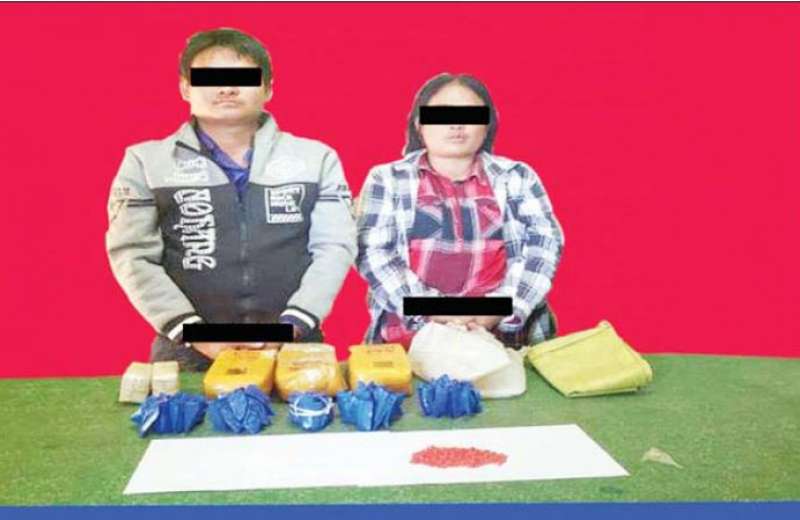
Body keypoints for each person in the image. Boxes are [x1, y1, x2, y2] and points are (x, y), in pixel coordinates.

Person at [106, 28, 356, 370]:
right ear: (185, 88)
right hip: (185, 347)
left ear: (268, 88)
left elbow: (335, 247)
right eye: (210, 78)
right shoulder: (145, 162)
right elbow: (132, 255)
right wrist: (194, 333)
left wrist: (294, 323)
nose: (226, 89)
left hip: (295, 342)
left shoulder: (316, 158)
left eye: (242, 78)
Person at [356, 73, 564, 349]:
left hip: (508, 341)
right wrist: (438, 311)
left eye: (469, 114)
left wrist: (499, 310)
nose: (456, 124)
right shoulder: (386, 179)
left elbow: (544, 246)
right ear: (419, 123)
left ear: (487, 124)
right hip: (409, 342)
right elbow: (373, 253)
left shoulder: (518, 176)